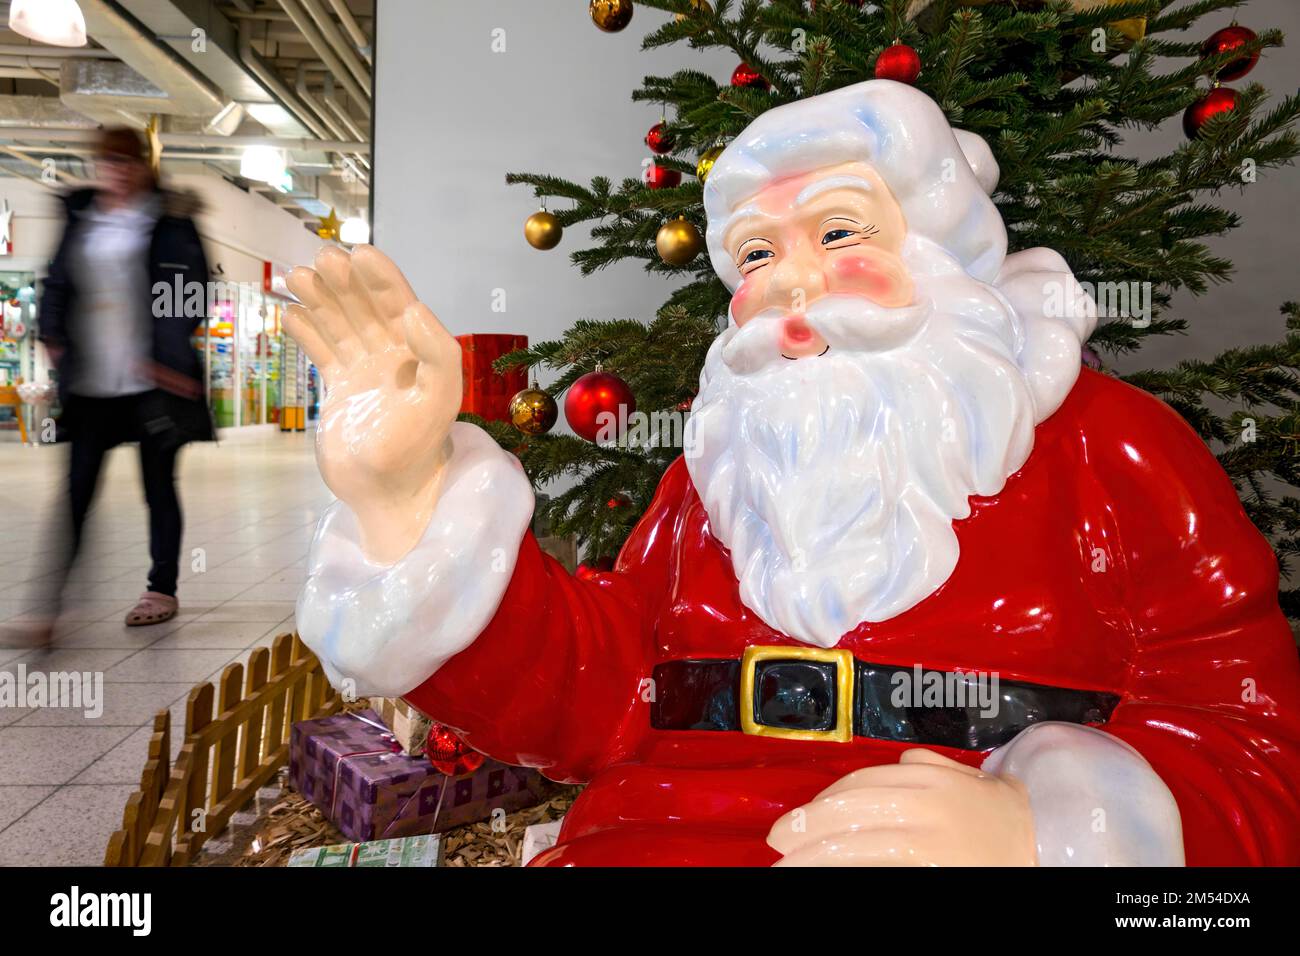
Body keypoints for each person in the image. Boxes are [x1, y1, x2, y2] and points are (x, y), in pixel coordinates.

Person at [287, 81, 1300, 866]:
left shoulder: (1111, 448)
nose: (791, 280)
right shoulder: (726, 471)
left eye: (840, 232)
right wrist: (407, 498)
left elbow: (1254, 750)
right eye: (756, 253)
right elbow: (596, 693)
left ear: (942, 251)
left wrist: (1042, 827)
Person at [34, 126, 213, 636]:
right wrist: (52, 335)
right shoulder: (82, 218)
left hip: (154, 384)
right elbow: (56, 282)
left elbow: (193, 289)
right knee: (75, 491)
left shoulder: (171, 220)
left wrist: (167, 350)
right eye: (108, 162)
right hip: (92, 383)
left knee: (158, 487)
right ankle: (50, 607)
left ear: (143, 167)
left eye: (127, 162)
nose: (117, 171)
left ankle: (162, 588)